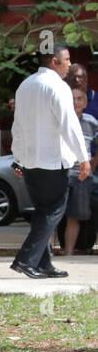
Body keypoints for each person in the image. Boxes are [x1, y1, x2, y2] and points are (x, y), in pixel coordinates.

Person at [10, 47, 90, 278]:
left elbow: (18, 126)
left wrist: (18, 158)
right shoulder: (57, 86)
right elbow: (70, 125)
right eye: (66, 60)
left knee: (43, 212)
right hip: (52, 161)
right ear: (55, 61)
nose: (69, 64)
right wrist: (83, 157)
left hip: (30, 160)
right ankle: (25, 260)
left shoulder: (25, 85)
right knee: (53, 211)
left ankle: (43, 263)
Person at [63, 85, 98, 255]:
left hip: (82, 175)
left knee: (74, 216)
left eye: (79, 99)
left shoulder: (91, 121)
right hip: (61, 173)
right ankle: (45, 252)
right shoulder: (62, 120)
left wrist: (93, 163)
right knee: (52, 215)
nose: (75, 102)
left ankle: (69, 252)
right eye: (72, 99)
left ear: (85, 103)